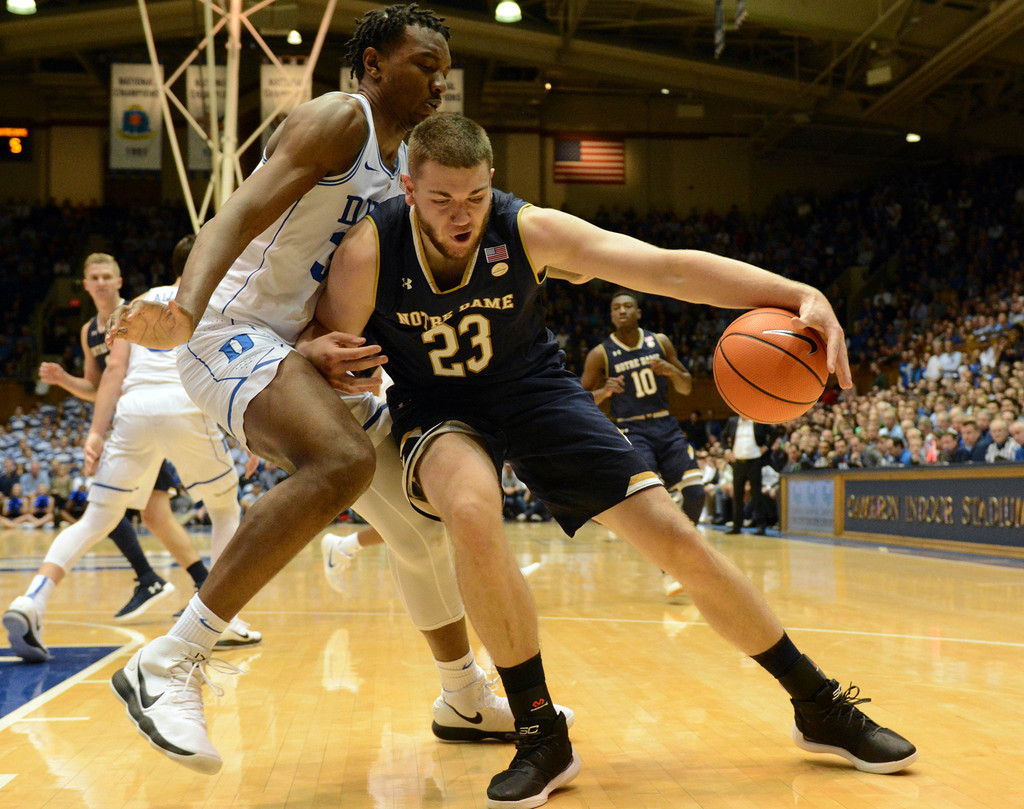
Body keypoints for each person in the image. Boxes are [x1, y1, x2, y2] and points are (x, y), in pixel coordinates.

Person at [310, 113, 916, 807]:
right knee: (472, 511)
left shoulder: (526, 228)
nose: (462, 215)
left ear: (492, 182)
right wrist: (313, 349)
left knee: (677, 539)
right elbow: (319, 340)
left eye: (475, 197)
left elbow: (665, 267)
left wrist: (797, 293)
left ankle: (818, 705)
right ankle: (542, 733)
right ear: (409, 188)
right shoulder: (369, 251)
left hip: (535, 390)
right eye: (443, 199)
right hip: (438, 405)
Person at [105, 4, 569, 777]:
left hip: (293, 347)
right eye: (424, 65)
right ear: (375, 64)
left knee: (420, 526)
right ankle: (171, 659)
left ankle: (462, 694)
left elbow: (345, 285)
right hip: (228, 328)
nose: (439, 83)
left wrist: (318, 341)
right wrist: (185, 307)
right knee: (341, 461)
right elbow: (236, 213)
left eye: (446, 72)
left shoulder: (403, 168)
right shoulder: (339, 119)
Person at [3, 258, 244, 665]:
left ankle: (32, 600)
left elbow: (115, 371)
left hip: (133, 410)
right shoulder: (207, 298)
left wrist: (96, 432)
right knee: (224, 508)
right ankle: (219, 620)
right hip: (181, 404)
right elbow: (226, 367)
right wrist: (248, 434)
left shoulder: (139, 302)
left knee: (97, 519)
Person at [38, 251, 210, 620]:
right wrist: (63, 379)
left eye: (107, 277)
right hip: (131, 424)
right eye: (94, 277)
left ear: (119, 282)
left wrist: (96, 432)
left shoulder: (137, 312)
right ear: (85, 285)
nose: (101, 282)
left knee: (109, 505)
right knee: (154, 515)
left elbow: (121, 372)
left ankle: (153, 579)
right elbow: (98, 386)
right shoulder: (89, 331)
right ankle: (200, 584)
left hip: (147, 417)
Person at [581, 289, 703, 595]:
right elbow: (579, 400)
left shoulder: (659, 342)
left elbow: (687, 388)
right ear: (611, 315)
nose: (622, 311)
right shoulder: (601, 353)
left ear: (638, 313)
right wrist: (604, 392)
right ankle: (670, 567)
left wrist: (671, 371)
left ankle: (678, 555)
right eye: (616, 307)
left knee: (697, 493)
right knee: (652, 501)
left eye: (628, 306)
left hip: (666, 425)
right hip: (631, 429)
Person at [722, 415, 774, 534]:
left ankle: (761, 526)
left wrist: (766, 446)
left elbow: (774, 432)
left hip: (754, 461)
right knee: (737, 495)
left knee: (756, 494)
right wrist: (727, 450)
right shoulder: (732, 421)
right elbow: (723, 436)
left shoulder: (758, 421)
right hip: (738, 462)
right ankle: (736, 526)